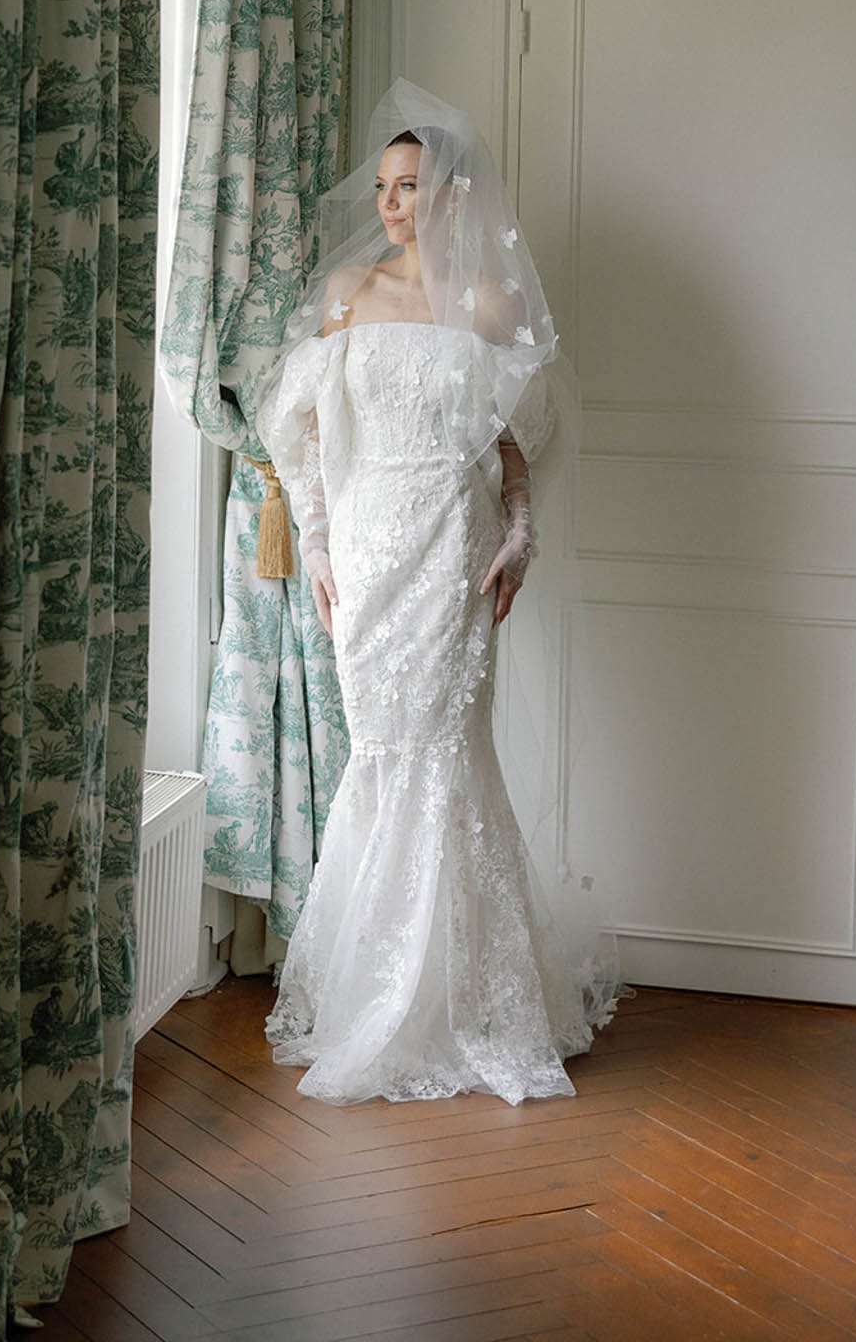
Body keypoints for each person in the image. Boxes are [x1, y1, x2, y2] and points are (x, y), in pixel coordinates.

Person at [253, 78, 627, 1106]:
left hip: (457, 549)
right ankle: (372, 994)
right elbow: (303, 433)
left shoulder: (491, 306)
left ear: (452, 195)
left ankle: (474, 1001)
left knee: (449, 753)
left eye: (409, 186)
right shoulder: (348, 294)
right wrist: (315, 543)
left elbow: (515, 445)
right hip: (368, 552)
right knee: (380, 754)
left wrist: (520, 531)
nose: (389, 203)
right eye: (383, 186)